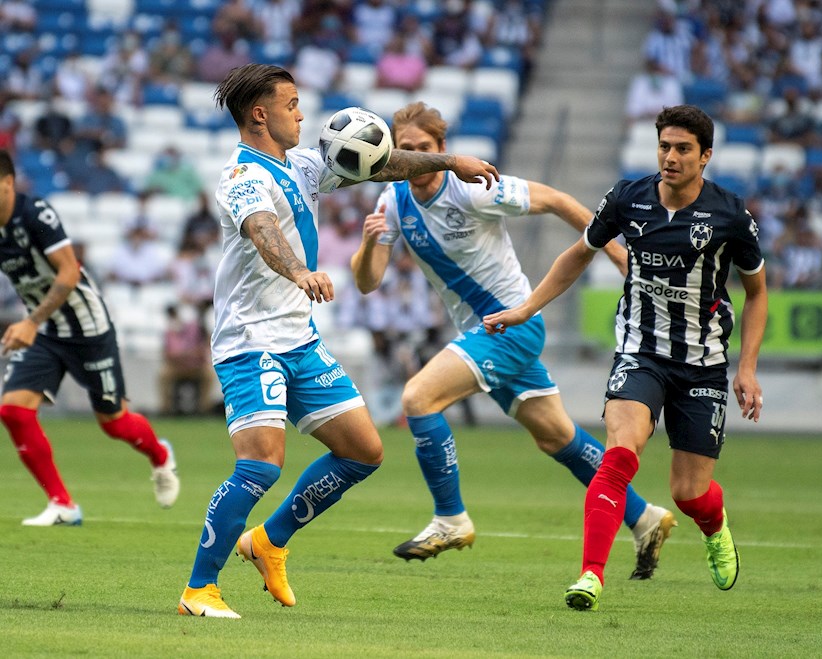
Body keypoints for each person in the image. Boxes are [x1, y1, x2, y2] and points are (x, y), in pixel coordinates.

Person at [177, 64, 499, 619]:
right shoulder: (242, 176)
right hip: (250, 341)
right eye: (292, 104)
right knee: (259, 466)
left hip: (298, 340)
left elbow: (382, 164)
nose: (302, 114)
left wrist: (449, 161)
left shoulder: (300, 164)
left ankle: (268, 541)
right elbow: (262, 229)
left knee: (363, 451)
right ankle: (198, 590)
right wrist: (299, 272)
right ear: (260, 114)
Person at [351, 102, 678, 578]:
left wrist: (616, 254)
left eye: (424, 149)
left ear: (442, 150)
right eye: (406, 151)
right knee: (557, 437)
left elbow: (560, 202)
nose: (416, 158)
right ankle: (644, 517)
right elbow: (368, 282)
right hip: (483, 333)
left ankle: (450, 517)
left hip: (513, 326)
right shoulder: (392, 203)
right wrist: (366, 245)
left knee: (418, 399)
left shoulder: (473, 190)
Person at [483, 105, 768, 611]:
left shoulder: (730, 215)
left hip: (703, 362)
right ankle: (591, 575)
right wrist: (527, 307)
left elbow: (757, 292)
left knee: (689, 493)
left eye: (683, 149)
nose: (671, 157)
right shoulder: (627, 198)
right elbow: (578, 254)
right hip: (640, 351)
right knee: (620, 454)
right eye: (664, 146)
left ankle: (714, 524)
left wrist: (745, 368)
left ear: (705, 156)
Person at [0, 149, 179, 526]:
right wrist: (34, 324)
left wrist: (29, 322)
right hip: (46, 331)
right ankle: (62, 504)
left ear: (8, 183)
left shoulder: (35, 214)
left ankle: (160, 456)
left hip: (86, 328)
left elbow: (68, 273)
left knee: (113, 422)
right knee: (13, 410)